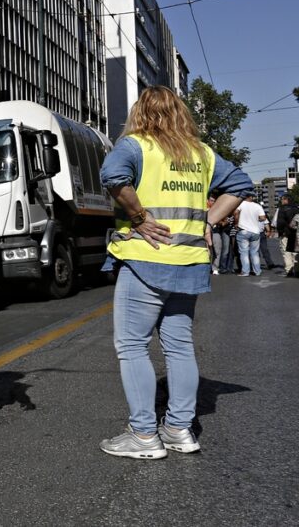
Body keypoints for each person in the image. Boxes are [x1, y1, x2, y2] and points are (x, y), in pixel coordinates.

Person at [97, 86, 250, 460]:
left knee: (132, 346)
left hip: (145, 258)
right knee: (179, 347)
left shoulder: (136, 145)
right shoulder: (201, 153)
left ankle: (144, 435)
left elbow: (113, 176)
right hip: (189, 261)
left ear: (141, 112)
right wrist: (208, 222)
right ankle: (180, 429)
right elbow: (241, 184)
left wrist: (139, 217)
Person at [234, 194, 268, 277]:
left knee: (244, 252)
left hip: (244, 230)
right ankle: (257, 271)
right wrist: (256, 219)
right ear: (251, 197)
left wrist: (236, 223)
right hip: (256, 231)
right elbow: (263, 218)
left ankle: (245, 271)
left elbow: (235, 213)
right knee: (254, 252)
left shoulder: (241, 204)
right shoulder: (258, 206)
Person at [273, 194, 297, 276]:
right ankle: (296, 269)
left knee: (286, 252)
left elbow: (279, 222)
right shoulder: (296, 208)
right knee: (295, 252)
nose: (281, 201)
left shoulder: (281, 209)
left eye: (282, 199)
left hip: (285, 233)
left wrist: (280, 232)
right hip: (295, 233)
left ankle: (289, 270)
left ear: (286, 200)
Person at [206, 196, 222, 275]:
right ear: (208, 201)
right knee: (207, 251)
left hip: (215, 232)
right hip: (205, 233)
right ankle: (207, 267)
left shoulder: (218, 211)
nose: (213, 202)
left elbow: (224, 221)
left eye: (214, 201)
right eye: (211, 201)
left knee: (217, 250)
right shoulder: (204, 210)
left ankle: (215, 268)